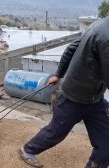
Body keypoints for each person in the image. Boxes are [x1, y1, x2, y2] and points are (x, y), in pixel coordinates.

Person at [18, 16, 109, 168]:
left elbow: (71, 49)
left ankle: (97, 164)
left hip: (95, 98)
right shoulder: (106, 37)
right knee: (56, 132)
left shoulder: (97, 26)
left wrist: (58, 74)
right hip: (74, 96)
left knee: (106, 139)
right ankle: (27, 150)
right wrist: (59, 74)